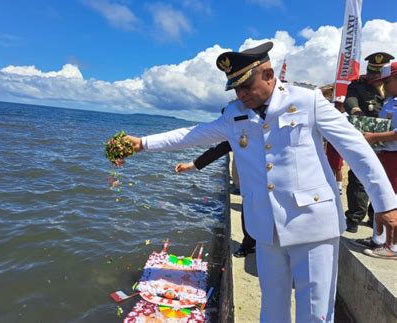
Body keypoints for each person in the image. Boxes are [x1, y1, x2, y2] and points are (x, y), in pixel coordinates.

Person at [124, 41, 397, 322]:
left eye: (246, 86)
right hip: (266, 226)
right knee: (272, 307)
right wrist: (143, 143)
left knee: (315, 312)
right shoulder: (234, 114)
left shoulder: (307, 101)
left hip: (313, 223)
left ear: (268, 74)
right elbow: (192, 134)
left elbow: (356, 148)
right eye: (236, 89)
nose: (241, 95)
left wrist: (385, 203)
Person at [175, 141, 256, 257]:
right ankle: (248, 246)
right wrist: (192, 165)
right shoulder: (244, 129)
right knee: (249, 213)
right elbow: (220, 148)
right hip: (253, 183)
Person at [344, 52, 395, 233]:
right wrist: (356, 110)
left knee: (384, 178)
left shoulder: (391, 86)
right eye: (371, 72)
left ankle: (376, 214)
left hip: (387, 142)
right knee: (358, 176)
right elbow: (350, 99)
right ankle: (354, 216)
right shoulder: (359, 85)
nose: (374, 76)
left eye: (378, 73)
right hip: (364, 136)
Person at [357, 62, 397, 259]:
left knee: (394, 199)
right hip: (386, 153)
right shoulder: (390, 100)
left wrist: (374, 137)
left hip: (395, 156)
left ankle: (394, 246)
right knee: (382, 195)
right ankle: (378, 239)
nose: (383, 86)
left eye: (387, 81)